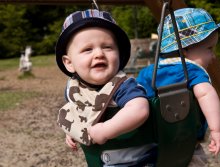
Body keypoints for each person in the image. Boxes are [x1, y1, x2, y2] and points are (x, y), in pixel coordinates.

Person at [55, 9, 157, 166]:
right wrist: (73, 131)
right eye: (87, 49)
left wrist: (106, 130)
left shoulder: (122, 86)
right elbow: (77, 112)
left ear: (119, 54)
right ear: (69, 63)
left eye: (108, 47)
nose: (99, 54)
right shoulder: (73, 90)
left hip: (140, 159)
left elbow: (139, 110)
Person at [137, 8, 220, 165]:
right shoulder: (192, 70)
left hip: (151, 145)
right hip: (187, 145)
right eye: (209, 48)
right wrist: (216, 130)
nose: (213, 56)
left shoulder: (147, 72)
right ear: (185, 49)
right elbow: (205, 94)